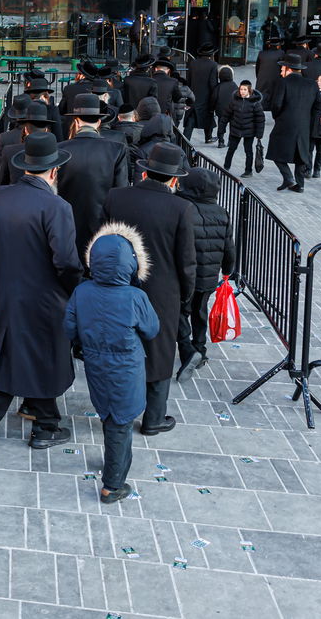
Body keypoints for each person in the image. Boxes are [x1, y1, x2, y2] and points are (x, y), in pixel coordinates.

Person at [0, 132, 81, 451]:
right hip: (47, 296)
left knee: (16, 351)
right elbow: (66, 262)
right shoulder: (57, 206)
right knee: (46, 356)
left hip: (8, 289)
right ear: (54, 171)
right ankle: (43, 426)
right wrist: (75, 290)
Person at [102, 142, 196, 436]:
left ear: (144, 172)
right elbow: (186, 261)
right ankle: (153, 418)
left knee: (120, 345)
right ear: (174, 179)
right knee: (160, 351)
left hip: (120, 285)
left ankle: (118, 410)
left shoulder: (116, 198)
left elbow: (103, 241)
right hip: (163, 291)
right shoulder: (181, 208)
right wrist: (186, 296)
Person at [63, 225, 158, 504]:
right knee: (121, 423)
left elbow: (69, 328)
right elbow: (152, 329)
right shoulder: (135, 297)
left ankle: (111, 462)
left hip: (95, 365)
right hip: (126, 368)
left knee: (109, 414)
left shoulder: (82, 291)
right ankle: (112, 486)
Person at [174, 169, 234, 383]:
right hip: (208, 275)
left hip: (185, 273)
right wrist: (227, 269)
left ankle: (188, 348)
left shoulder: (183, 209)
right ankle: (200, 347)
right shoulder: (222, 212)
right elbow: (229, 246)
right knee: (200, 310)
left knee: (180, 311)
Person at [57, 94, 128, 262]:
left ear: (76, 121)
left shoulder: (60, 149)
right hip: (102, 228)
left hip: (67, 227)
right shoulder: (116, 150)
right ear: (99, 122)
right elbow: (121, 192)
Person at [267, 54, 320, 193]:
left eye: (282, 69)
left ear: (288, 69)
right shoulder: (312, 84)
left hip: (285, 123)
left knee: (275, 150)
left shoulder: (283, 82)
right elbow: (317, 107)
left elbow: (276, 104)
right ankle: (300, 184)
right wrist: (309, 121)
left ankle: (288, 178)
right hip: (304, 125)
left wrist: (278, 117)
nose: (281, 72)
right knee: (300, 154)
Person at [0, 100, 54, 189]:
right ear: (46, 130)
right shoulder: (55, 153)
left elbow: (1, 181)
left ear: (26, 130)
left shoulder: (9, 151)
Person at [185, 45, 219, 143]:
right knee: (208, 115)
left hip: (193, 94)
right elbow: (213, 83)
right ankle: (208, 137)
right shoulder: (213, 65)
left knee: (191, 117)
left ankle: (185, 139)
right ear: (211, 55)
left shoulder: (193, 63)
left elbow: (188, 80)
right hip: (206, 96)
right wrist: (215, 95)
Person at [254, 38, 284, 110]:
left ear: (269, 45)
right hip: (275, 76)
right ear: (278, 45)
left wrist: (258, 76)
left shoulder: (261, 53)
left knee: (262, 91)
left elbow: (257, 67)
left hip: (262, 76)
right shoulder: (281, 53)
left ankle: (261, 105)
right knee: (274, 91)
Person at [213, 66, 237, 146]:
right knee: (233, 126)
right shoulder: (235, 86)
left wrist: (212, 108)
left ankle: (221, 141)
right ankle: (231, 141)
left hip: (221, 110)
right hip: (233, 110)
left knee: (221, 125)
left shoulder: (218, 87)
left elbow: (214, 98)